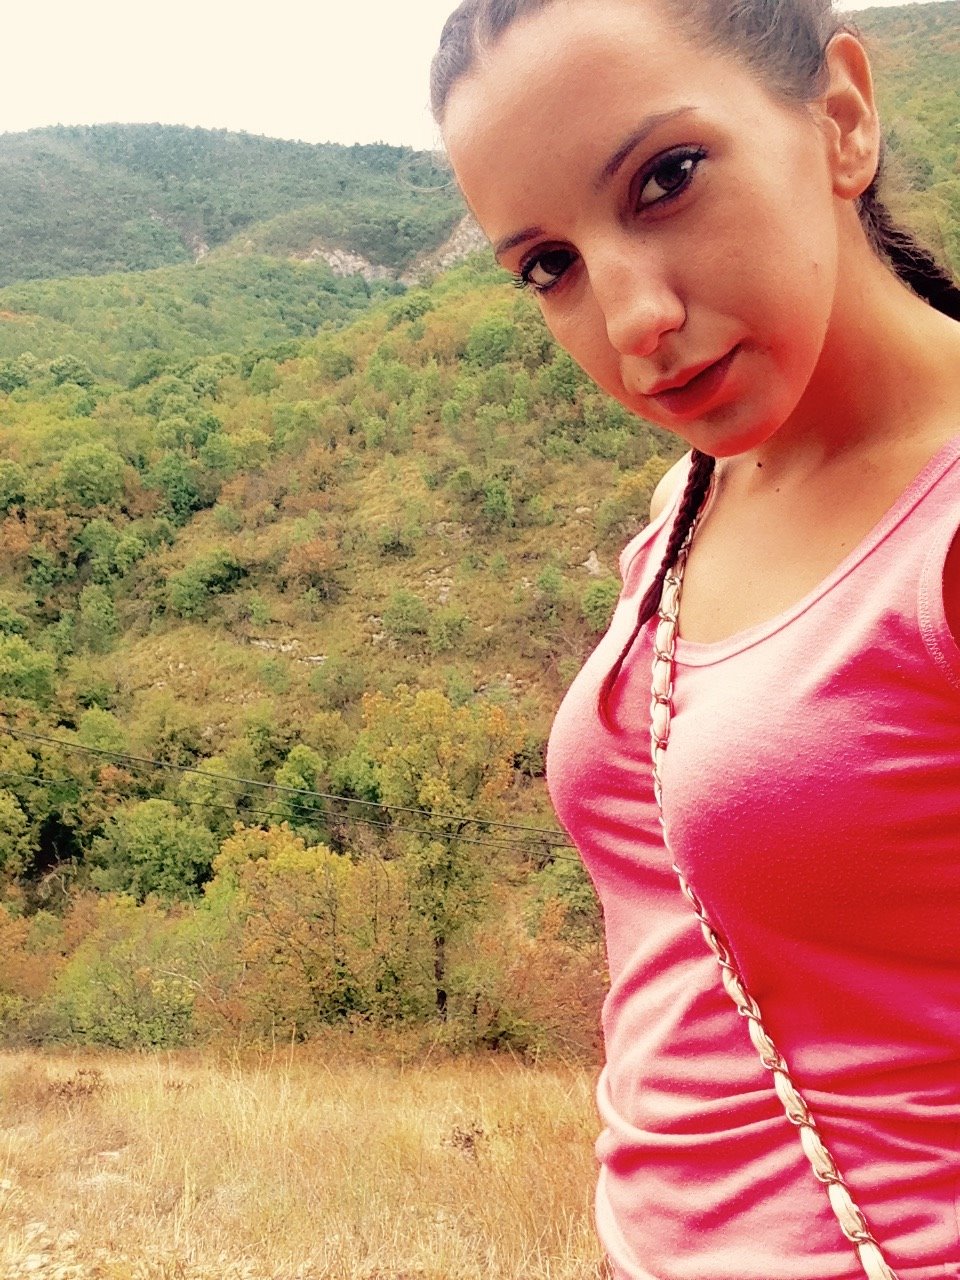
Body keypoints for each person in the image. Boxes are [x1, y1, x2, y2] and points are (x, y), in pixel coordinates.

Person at [430, 2, 960, 1278]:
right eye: (549, 265)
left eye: (665, 179)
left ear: (841, 119)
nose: (632, 320)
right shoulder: (698, 497)